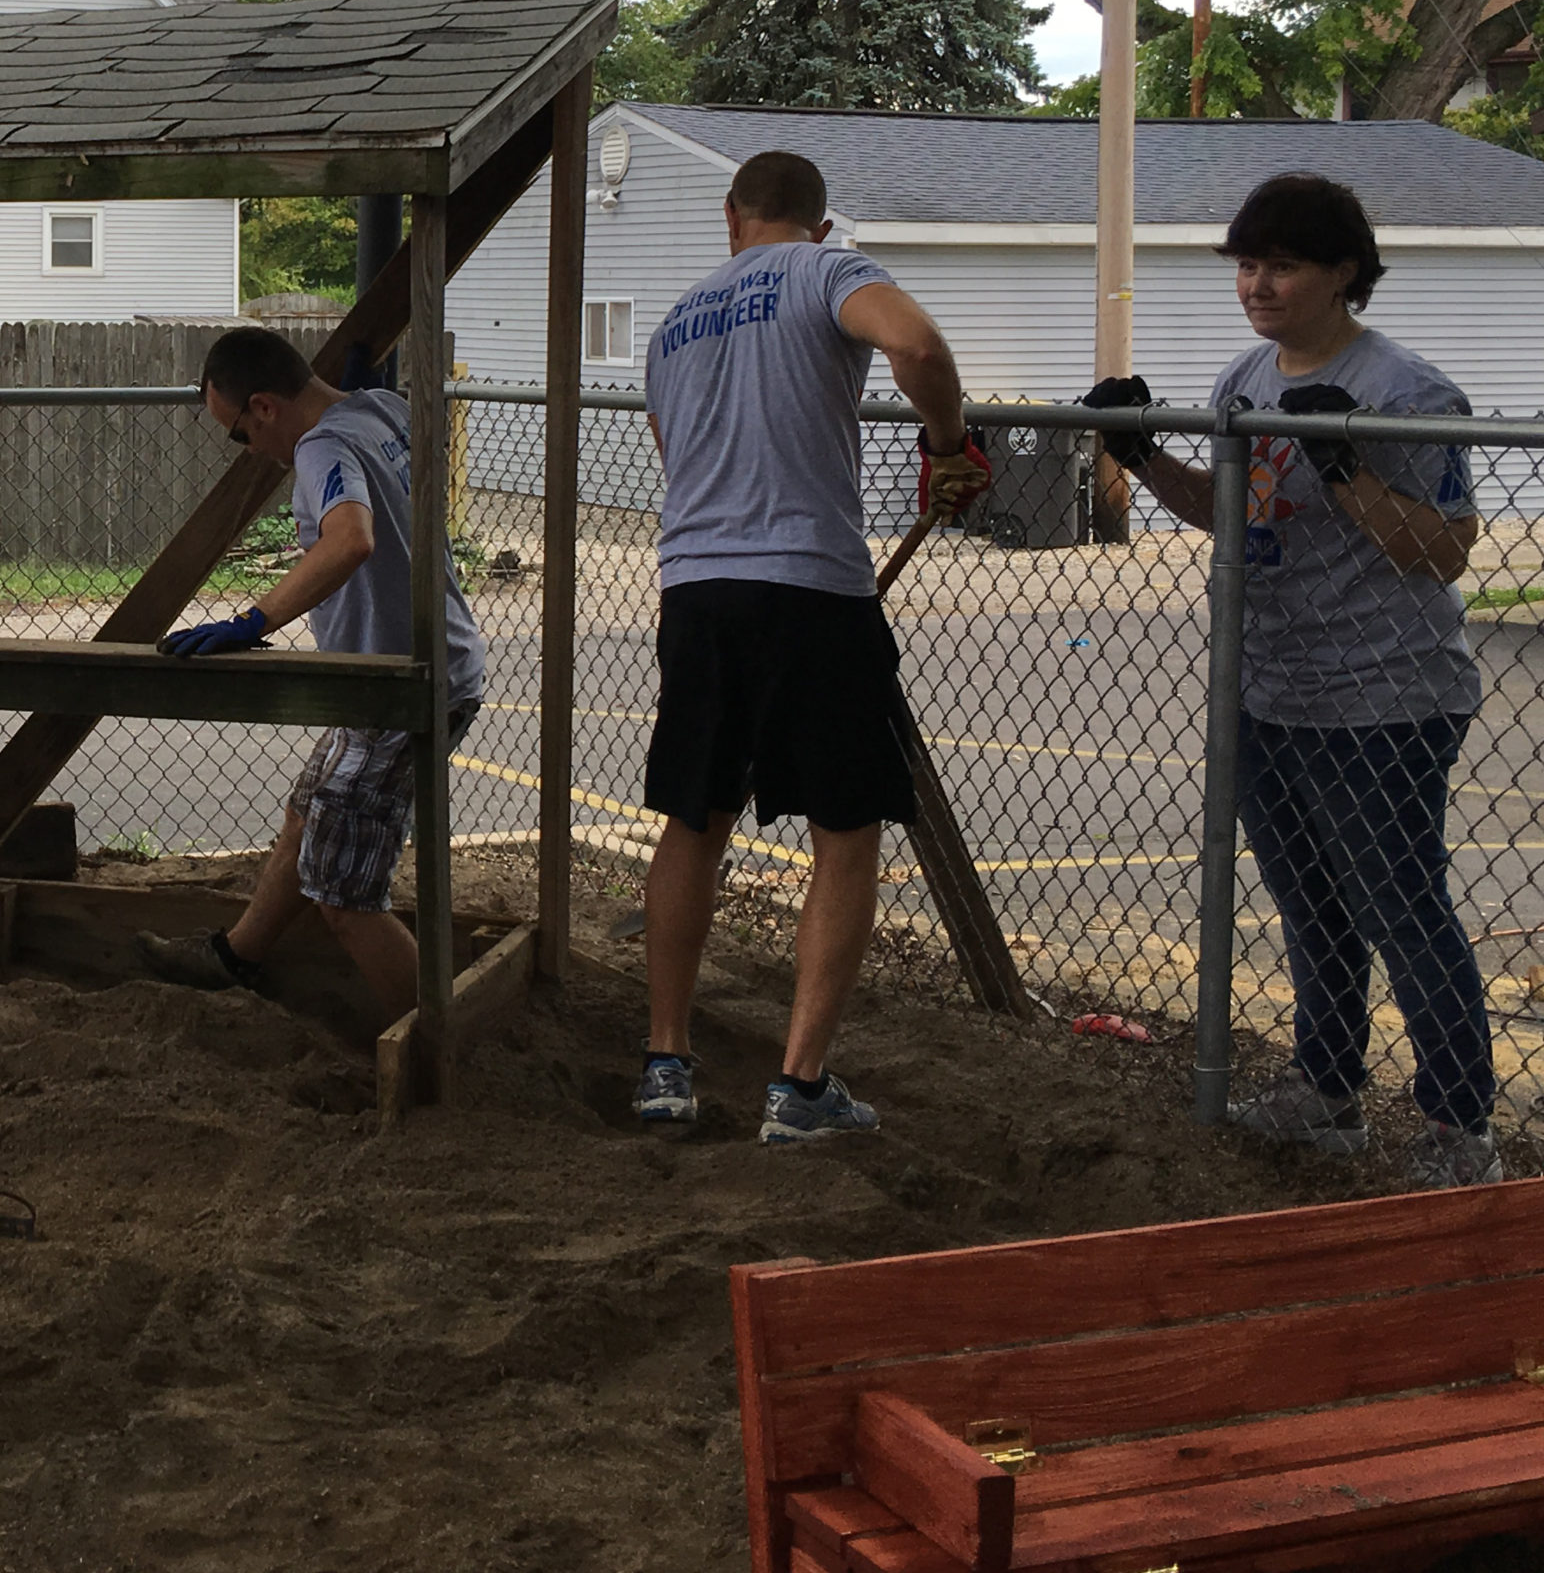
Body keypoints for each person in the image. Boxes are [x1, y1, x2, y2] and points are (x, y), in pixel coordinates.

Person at [1086, 172, 1498, 1189]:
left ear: (1341, 273)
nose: (1258, 286)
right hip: (1269, 688)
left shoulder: (1406, 392)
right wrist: (1140, 460)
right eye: (1247, 267)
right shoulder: (1245, 381)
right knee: (1308, 902)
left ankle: (1457, 1127)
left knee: (1401, 905)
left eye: (1281, 266)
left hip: (1384, 697)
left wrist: (1347, 465)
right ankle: (1327, 1088)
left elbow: (1442, 552)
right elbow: (1233, 515)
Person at [635, 150, 989, 1142]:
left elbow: (677, 455)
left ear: (730, 215)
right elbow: (915, 346)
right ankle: (798, 1087)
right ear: (820, 224)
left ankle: (665, 1061)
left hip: (697, 590)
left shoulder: (674, 322)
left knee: (693, 821)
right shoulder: (829, 272)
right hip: (812, 590)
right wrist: (949, 445)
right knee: (844, 830)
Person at [141, 329, 485, 1020]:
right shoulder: (380, 409)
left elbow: (351, 537)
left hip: (399, 689)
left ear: (264, 407)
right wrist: (358, 386)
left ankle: (437, 1049)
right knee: (308, 816)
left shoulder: (321, 447)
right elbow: (373, 428)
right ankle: (234, 959)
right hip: (416, 666)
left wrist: (253, 621)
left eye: (236, 433)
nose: (248, 450)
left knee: (343, 897)